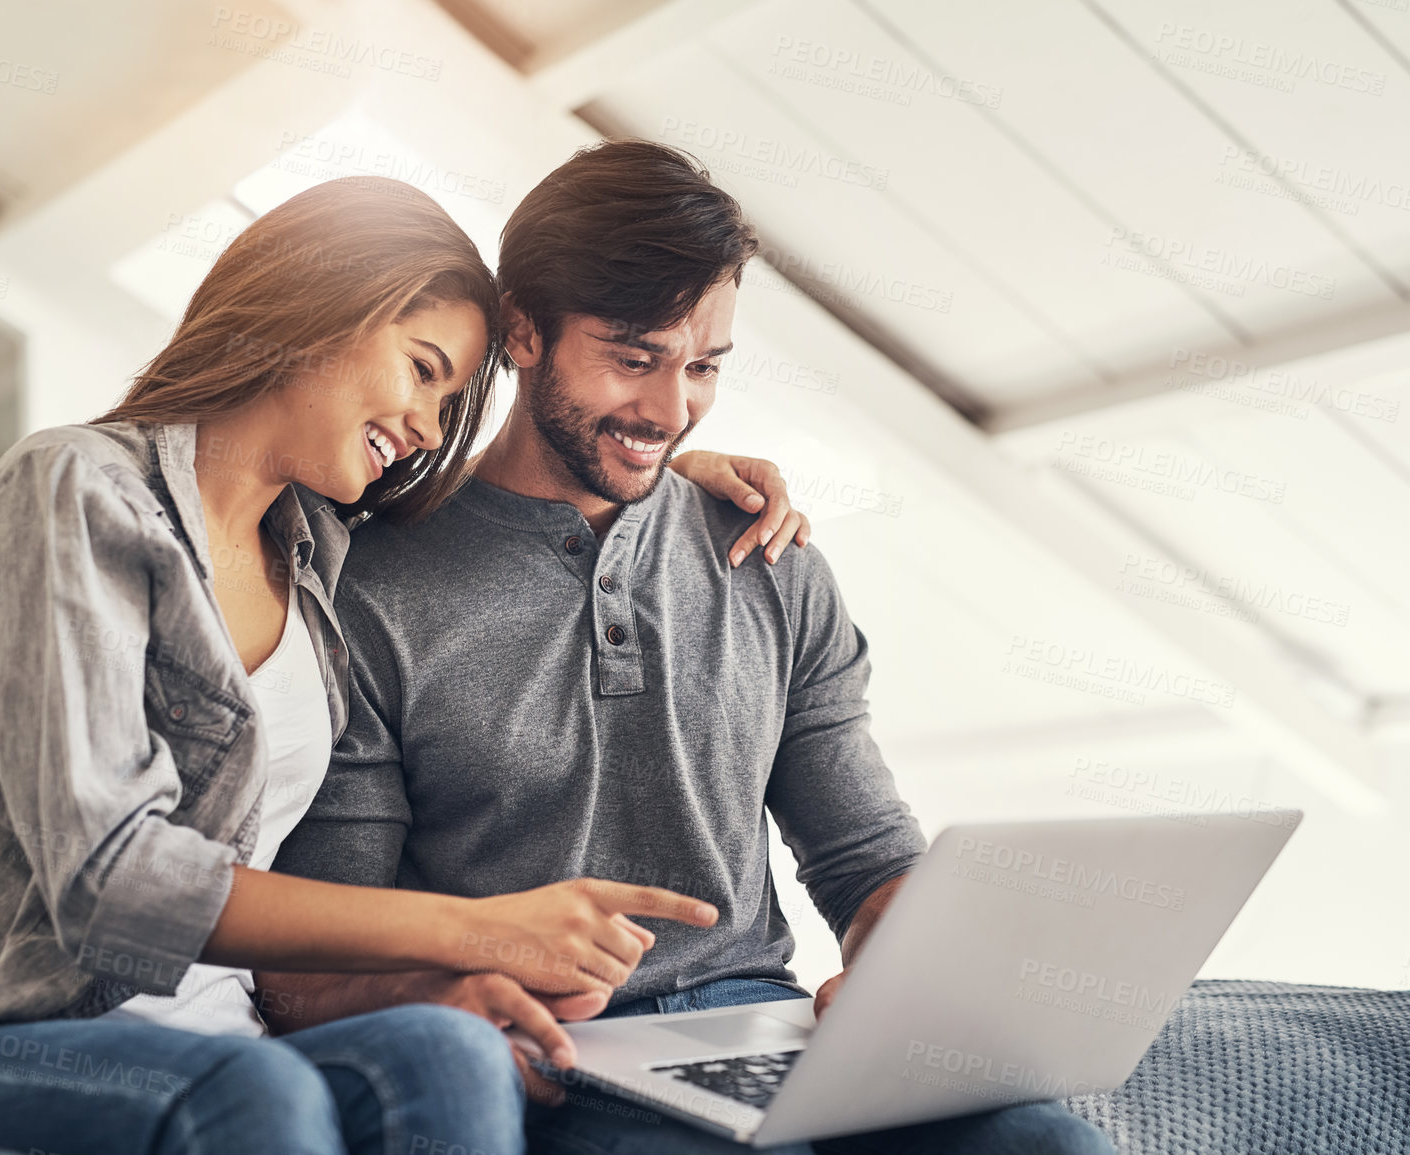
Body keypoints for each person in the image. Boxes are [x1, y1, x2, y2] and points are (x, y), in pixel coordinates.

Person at [0, 174, 810, 1155]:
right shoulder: (74, 486)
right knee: (254, 1088)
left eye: (450, 395)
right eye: (422, 369)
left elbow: (511, 519)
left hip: (223, 1041)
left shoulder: (322, 556)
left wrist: (661, 472)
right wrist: (477, 932)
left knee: (445, 1056)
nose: (426, 426)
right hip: (1, 1027)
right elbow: (112, 883)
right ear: (317, 313)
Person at [259, 142, 1119, 1154]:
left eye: (703, 366)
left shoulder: (767, 556)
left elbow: (867, 856)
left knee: (1047, 1145)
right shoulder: (371, 592)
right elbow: (312, 958)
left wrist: (905, 972)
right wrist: (454, 996)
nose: (671, 412)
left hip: (767, 1024)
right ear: (524, 330)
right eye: (635, 358)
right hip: (564, 1056)